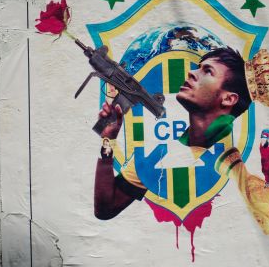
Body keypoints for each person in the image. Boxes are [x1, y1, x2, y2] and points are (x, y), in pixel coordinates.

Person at [93, 46, 252, 220]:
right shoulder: (163, 151)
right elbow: (106, 208)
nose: (191, 72)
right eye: (198, 67)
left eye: (207, 71)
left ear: (229, 99)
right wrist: (108, 139)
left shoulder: (224, 158)